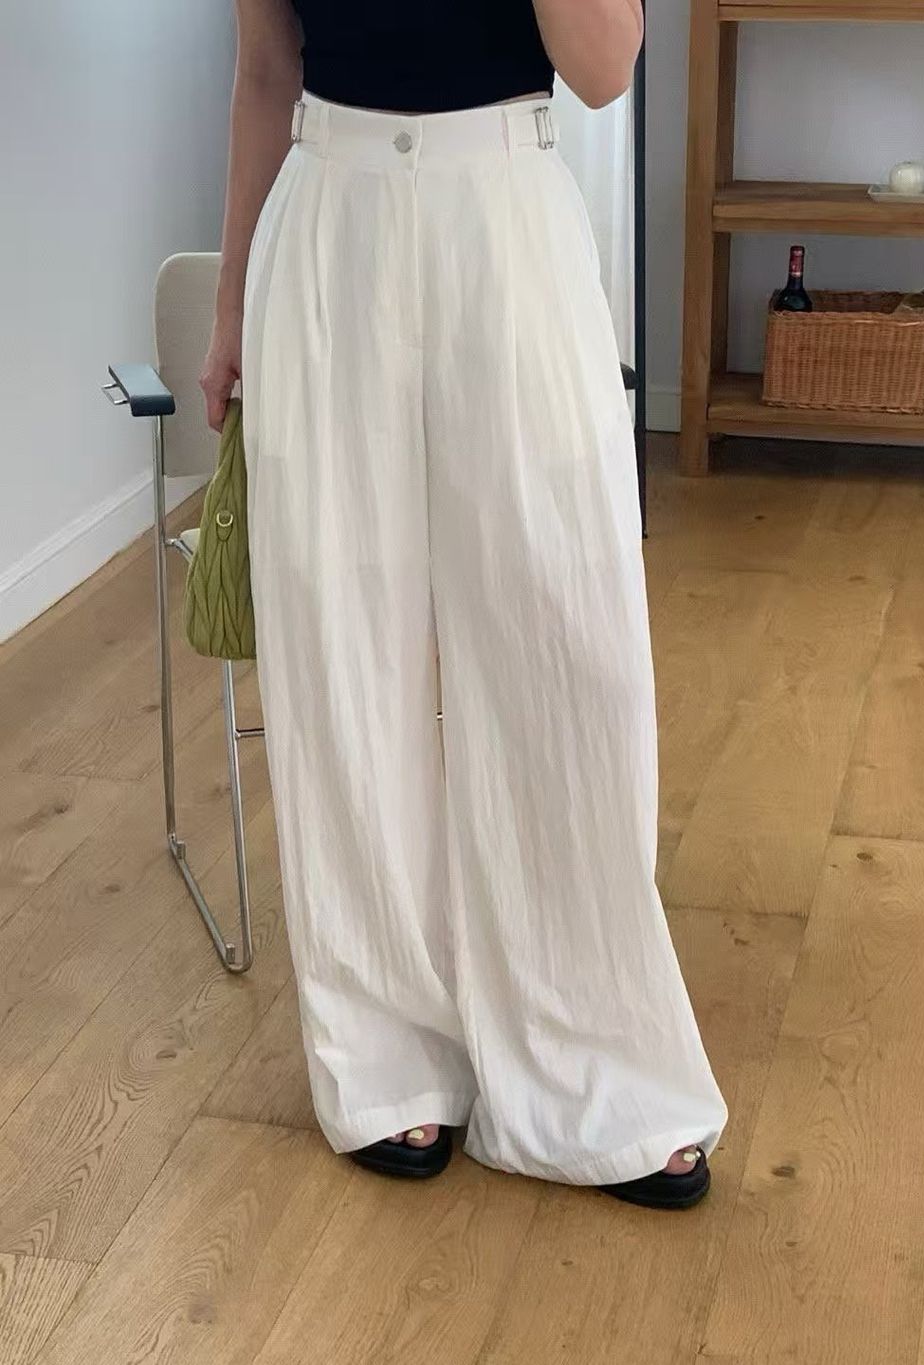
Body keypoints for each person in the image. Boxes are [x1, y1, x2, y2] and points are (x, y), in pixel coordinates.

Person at [201, 0, 727, 1211]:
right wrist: (230, 310)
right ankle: (385, 1054)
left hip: (507, 216)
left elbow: (603, 68)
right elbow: (265, 71)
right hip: (325, 223)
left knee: (564, 643)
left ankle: (596, 1065)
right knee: (342, 656)